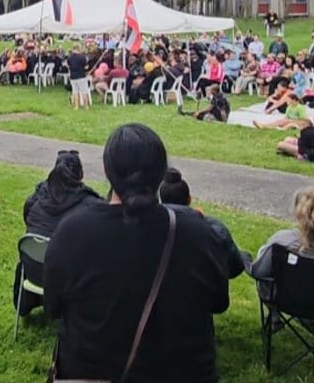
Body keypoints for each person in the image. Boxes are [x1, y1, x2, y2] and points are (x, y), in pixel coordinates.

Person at [44, 124, 235, 382]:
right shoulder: (198, 232)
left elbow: (53, 306)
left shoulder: (72, 232)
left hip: (90, 372)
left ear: (106, 171)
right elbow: (219, 302)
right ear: (161, 173)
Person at [14, 150, 102, 315]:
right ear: (80, 174)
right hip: (67, 280)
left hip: (33, 270)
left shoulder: (36, 197)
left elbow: (27, 218)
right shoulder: (90, 203)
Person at [158, 168, 246, 280]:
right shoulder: (214, 229)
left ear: (162, 200)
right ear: (189, 199)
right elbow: (235, 267)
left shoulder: (149, 230)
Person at [67, 45, 89, 110]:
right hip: (81, 76)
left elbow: (68, 66)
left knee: (75, 92)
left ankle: (76, 106)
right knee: (84, 92)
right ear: (78, 49)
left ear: (73, 49)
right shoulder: (82, 57)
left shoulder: (69, 58)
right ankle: (86, 106)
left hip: (73, 77)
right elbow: (86, 67)